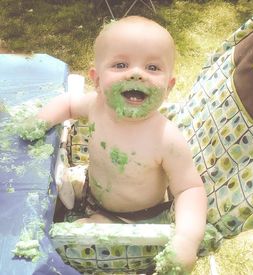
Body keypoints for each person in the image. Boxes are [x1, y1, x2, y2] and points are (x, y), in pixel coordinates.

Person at [37, 16, 207, 272]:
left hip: (134, 219)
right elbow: (68, 103)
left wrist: (187, 239)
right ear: (96, 80)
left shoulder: (165, 138)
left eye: (152, 68)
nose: (136, 74)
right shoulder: (97, 106)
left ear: (169, 87)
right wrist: (39, 122)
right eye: (120, 64)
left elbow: (190, 189)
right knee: (41, 202)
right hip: (93, 195)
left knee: (60, 242)